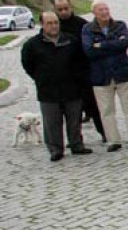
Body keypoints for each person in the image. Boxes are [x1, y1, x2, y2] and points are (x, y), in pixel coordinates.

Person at [21, 12, 93, 161]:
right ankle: (55, 149)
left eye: (55, 22)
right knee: (51, 122)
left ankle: (76, 144)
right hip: (48, 90)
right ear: (42, 24)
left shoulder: (71, 41)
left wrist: (78, 79)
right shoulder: (32, 45)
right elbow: (28, 65)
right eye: (49, 23)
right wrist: (41, 78)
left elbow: (81, 61)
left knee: (74, 120)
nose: (53, 26)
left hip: (72, 88)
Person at [81, 1, 128, 152]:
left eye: (106, 9)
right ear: (94, 12)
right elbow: (89, 50)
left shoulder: (119, 25)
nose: (105, 12)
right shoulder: (88, 29)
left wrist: (101, 45)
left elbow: (125, 43)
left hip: (122, 72)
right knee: (106, 110)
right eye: (101, 10)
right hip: (101, 75)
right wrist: (113, 44)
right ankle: (113, 140)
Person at [53, 0, 105, 143]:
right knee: (70, 111)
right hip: (65, 75)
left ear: (71, 8)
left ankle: (104, 132)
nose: (63, 12)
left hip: (85, 72)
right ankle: (75, 140)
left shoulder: (83, 25)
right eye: (60, 9)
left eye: (65, 8)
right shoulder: (54, 27)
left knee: (94, 106)